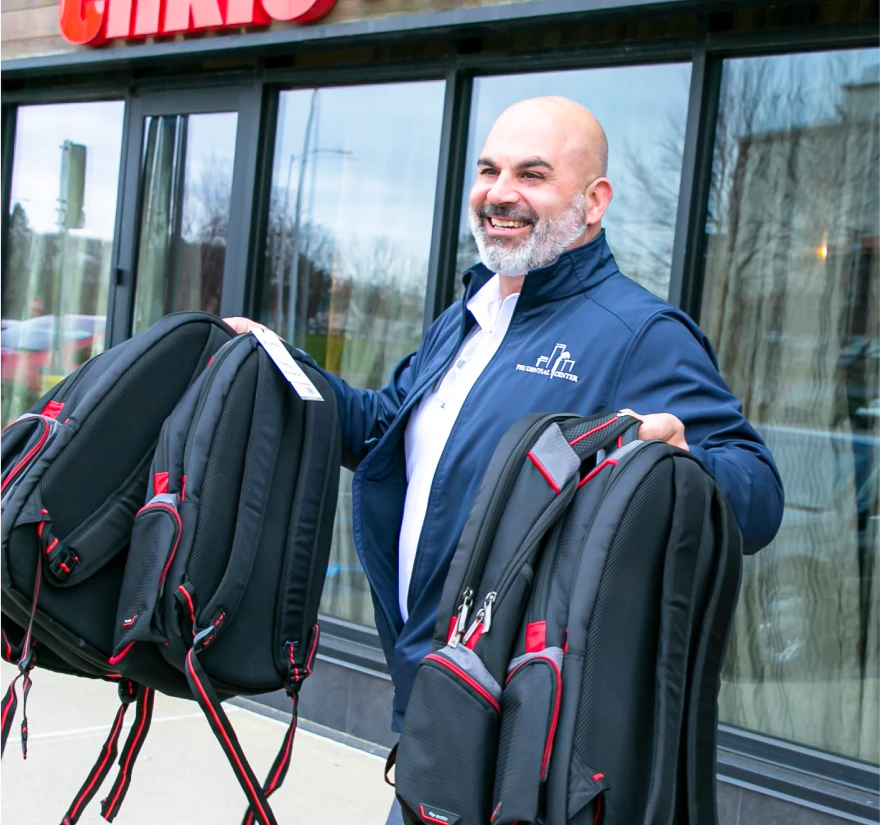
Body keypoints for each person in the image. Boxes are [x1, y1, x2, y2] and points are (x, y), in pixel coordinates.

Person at [227, 96, 784, 813]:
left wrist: (689, 469)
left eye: (532, 173)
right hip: (439, 695)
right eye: (489, 170)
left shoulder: (640, 333)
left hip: (530, 728)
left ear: (593, 202)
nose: (500, 192)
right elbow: (383, 427)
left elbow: (758, 492)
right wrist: (281, 368)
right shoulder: (471, 315)